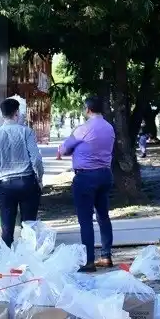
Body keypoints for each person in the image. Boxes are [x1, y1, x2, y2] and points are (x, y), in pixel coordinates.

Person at [57, 95, 116, 271]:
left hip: (85, 177)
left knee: (85, 220)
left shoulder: (83, 129)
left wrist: (62, 150)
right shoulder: (109, 128)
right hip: (105, 174)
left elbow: (66, 148)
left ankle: (89, 261)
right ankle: (106, 256)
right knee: (103, 216)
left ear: (88, 110)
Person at [0, 97, 44, 246]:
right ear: (16, 113)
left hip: (5, 185)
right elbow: (36, 159)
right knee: (29, 226)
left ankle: (8, 262)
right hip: (27, 182)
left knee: (7, 227)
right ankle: (29, 261)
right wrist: (39, 178)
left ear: (2, 114)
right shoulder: (26, 132)